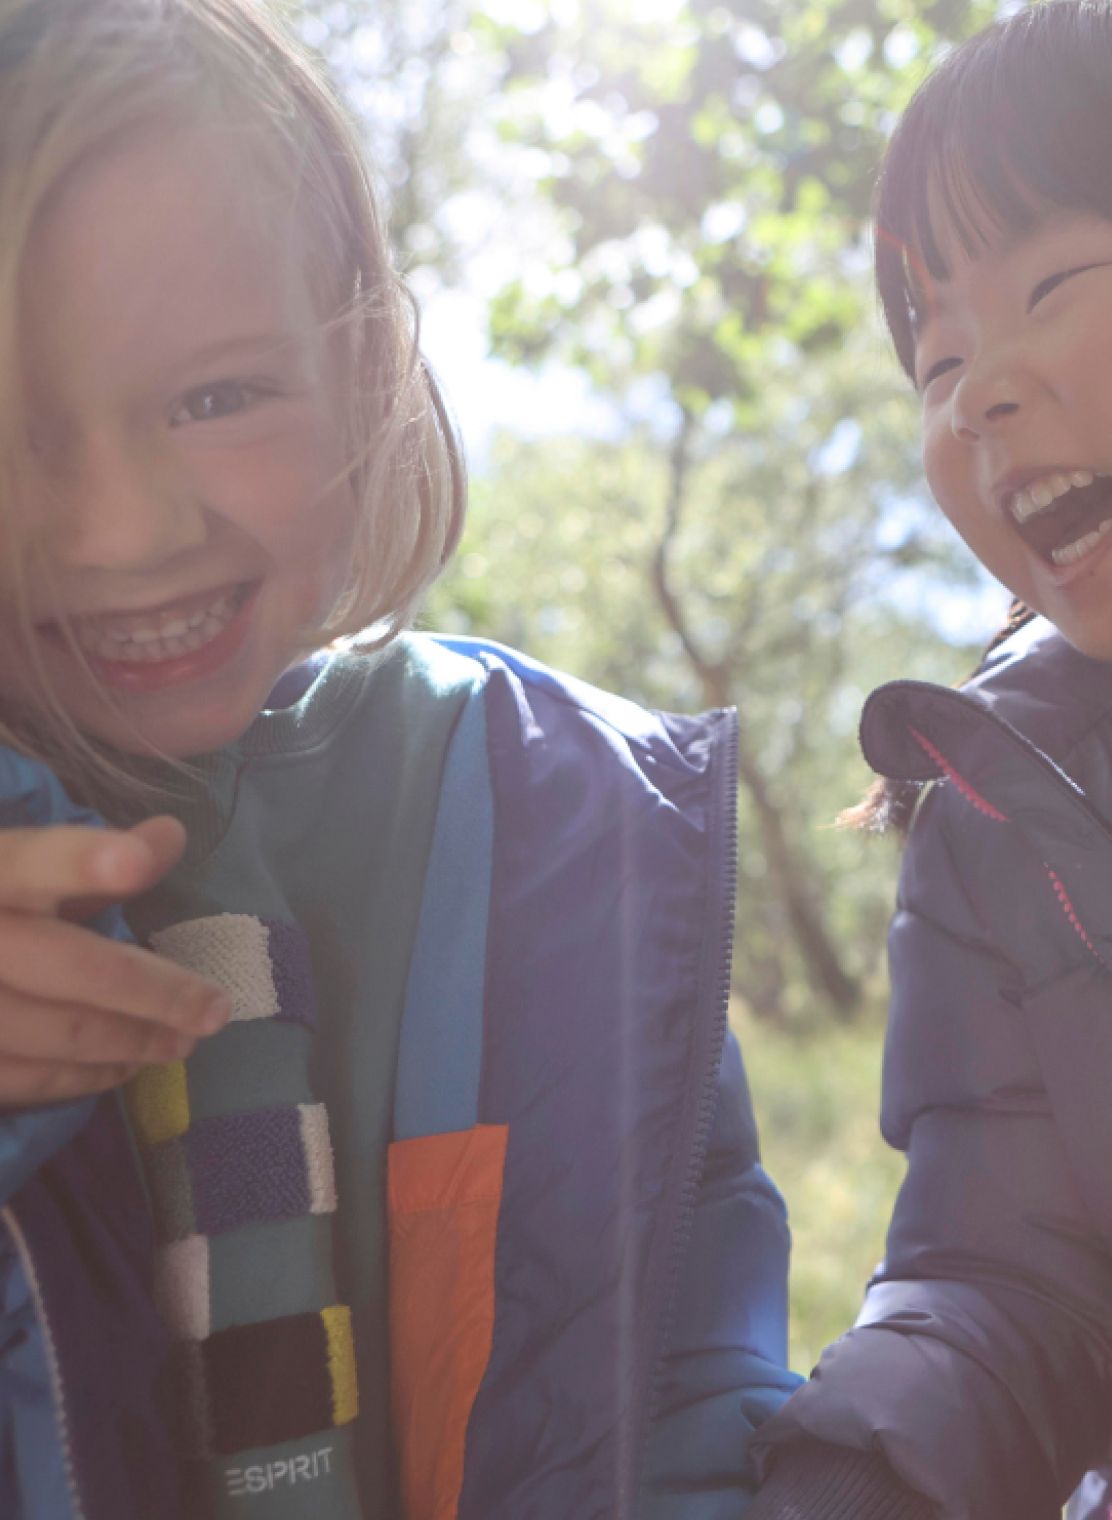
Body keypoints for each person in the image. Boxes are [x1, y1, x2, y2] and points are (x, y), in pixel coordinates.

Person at [0, 1, 802, 1516]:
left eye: (218, 396)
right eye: (12, 424)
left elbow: (693, 1371)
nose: (123, 530)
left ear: (362, 366)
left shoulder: (563, 830)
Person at [743, 2, 1112, 1517]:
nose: (979, 391)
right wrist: (858, 1474)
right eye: (937, 357)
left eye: (1052, 284)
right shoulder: (1005, 805)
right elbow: (1012, 1275)